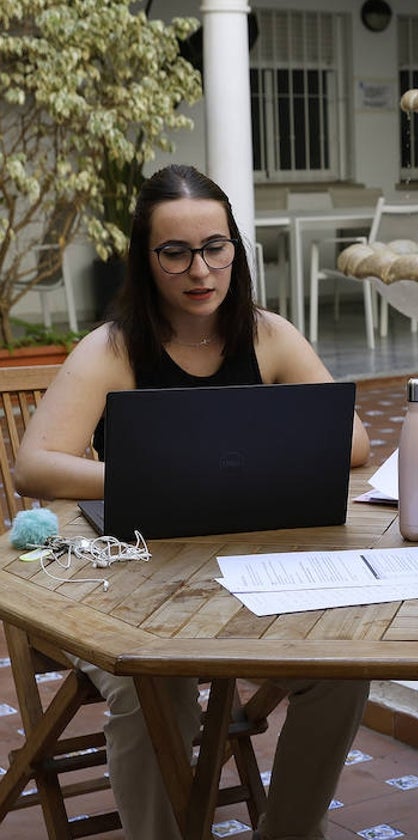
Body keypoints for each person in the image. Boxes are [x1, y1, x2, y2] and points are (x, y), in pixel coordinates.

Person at [14, 164, 372, 840]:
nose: (199, 269)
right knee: (153, 681)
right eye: (174, 252)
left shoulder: (267, 335)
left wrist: (219, 468)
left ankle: (289, 831)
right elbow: (34, 464)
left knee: (344, 667)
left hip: (243, 574)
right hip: (126, 579)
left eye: (214, 247)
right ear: (145, 260)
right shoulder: (114, 349)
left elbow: (351, 440)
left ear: (235, 247)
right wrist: (151, 476)